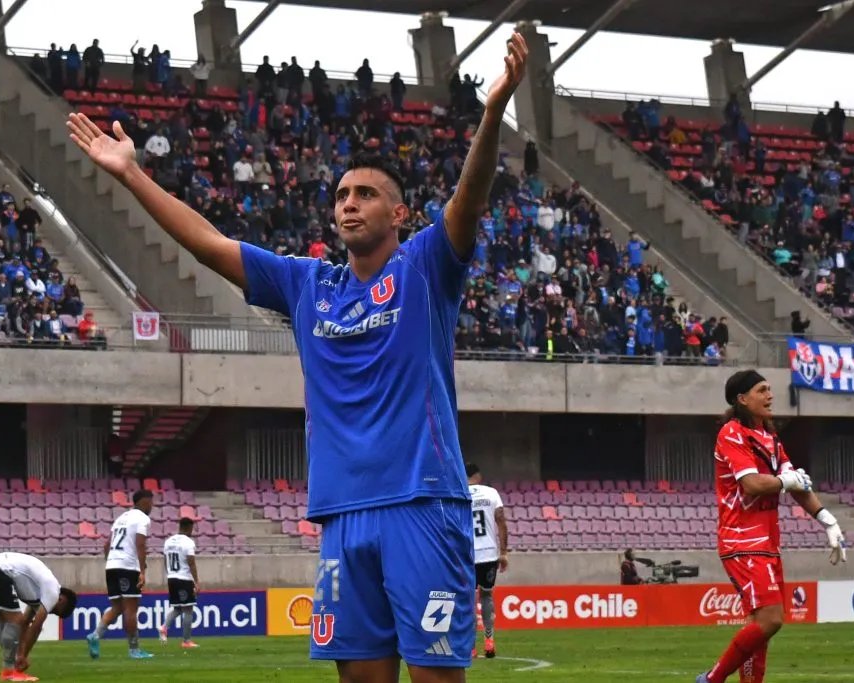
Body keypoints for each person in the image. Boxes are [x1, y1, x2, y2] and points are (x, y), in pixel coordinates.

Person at [66, 31, 529, 683]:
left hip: (422, 502)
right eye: (341, 195)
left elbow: (469, 200)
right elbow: (208, 244)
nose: (348, 203)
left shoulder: (425, 265)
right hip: (341, 513)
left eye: (364, 194)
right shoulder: (309, 283)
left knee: (434, 677)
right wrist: (133, 173)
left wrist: (491, 114)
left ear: (399, 212)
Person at [696, 370, 847, 683]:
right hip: (742, 540)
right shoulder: (732, 433)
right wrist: (784, 480)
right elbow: (751, 484)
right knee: (770, 620)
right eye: (762, 390)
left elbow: (797, 484)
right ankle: (712, 679)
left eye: (769, 389)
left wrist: (826, 519)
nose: (770, 395)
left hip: (768, 542)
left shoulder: (770, 438)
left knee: (761, 625)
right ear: (742, 399)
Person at [0, 551, 78, 682]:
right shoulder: (53, 592)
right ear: (61, 599)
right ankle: (9, 671)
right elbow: (36, 626)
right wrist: (22, 655)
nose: (51, 611)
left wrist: (22, 653)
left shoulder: (40, 591)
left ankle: (9, 669)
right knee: (14, 620)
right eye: (56, 611)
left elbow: (26, 623)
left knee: (8, 620)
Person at [86, 489, 154, 660]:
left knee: (118, 607)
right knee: (131, 609)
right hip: (128, 567)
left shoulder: (121, 518)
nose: (152, 506)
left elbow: (106, 545)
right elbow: (140, 544)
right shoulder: (142, 518)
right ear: (144, 501)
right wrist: (143, 571)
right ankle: (134, 650)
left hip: (112, 565)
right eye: (151, 502)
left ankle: (95, 635)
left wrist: (111, 563)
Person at [466, 462, 507, 659]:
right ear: (478, 475)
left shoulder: (460, 493)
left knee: (469, 600)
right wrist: (504, 552)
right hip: (489, 553)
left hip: (468, 555)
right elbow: (501, 521)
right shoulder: (491, 493)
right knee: (487, 596)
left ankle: (471, 647)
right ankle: (489, 641)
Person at [158, 516, 201, 648]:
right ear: (189, 528)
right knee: (188, 609)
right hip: (184, 578)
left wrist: (170, 574)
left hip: (172, 577)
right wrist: (196, 582)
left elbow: (165, 560)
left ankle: (164, 627)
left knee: (177, 608)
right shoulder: (188, 542)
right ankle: (186, 641)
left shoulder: (168, 541)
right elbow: (191, 562)